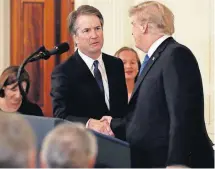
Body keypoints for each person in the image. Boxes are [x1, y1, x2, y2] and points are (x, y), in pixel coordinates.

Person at [102, 1, 214, 167]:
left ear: (144, 27)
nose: (132, 31)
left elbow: (182, 113)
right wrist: (111, 123)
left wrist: (177, 162)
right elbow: (147, 118)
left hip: (170, 161)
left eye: (132, 24)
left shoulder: (175, 54)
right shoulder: (155, 58)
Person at [50, 5, 128, 136]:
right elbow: (60, 116)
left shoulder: (116, 64)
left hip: (119, 143)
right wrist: (89, 123)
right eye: (86, 30)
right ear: (75, 37)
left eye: (98, 28)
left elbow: (123, 109)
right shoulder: (63, 71)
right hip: (84, 144)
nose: (94, 35)